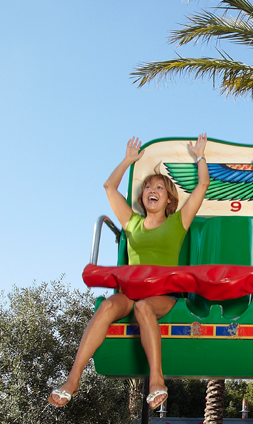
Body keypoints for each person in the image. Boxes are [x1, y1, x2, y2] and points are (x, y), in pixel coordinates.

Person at [49, 135, 210, 409]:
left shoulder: (177, 222)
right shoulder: (131, 221)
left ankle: (157, 380)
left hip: (162, 294)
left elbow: (203, 185)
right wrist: (129, 160)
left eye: (159, 187)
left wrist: (199, 156)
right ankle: (73, 379)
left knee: (143, 308)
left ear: (169, 197)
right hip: (130, 291)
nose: (152, 190)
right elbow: (109, 186)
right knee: (107, 306)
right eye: (148, 186)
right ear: (142, 195)